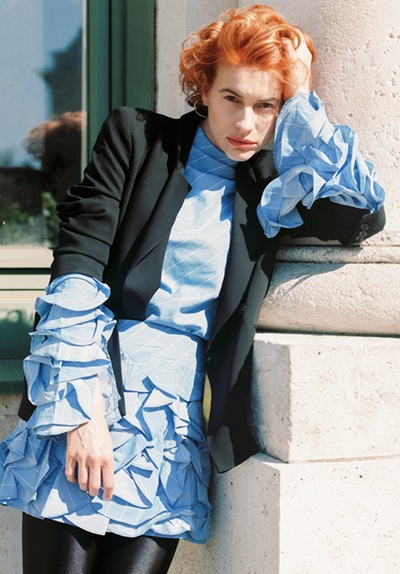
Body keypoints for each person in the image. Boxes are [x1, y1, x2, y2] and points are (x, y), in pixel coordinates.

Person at [0, 4, 385, 574]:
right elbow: (78, 265)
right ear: (203, 89)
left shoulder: (271, 189)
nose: (246, 124)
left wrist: (302, 98)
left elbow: (361, 214)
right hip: (88, 393)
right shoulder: (138, 139)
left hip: (173, 428)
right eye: (232, 98)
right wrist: (81, 414)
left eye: (266, 105)